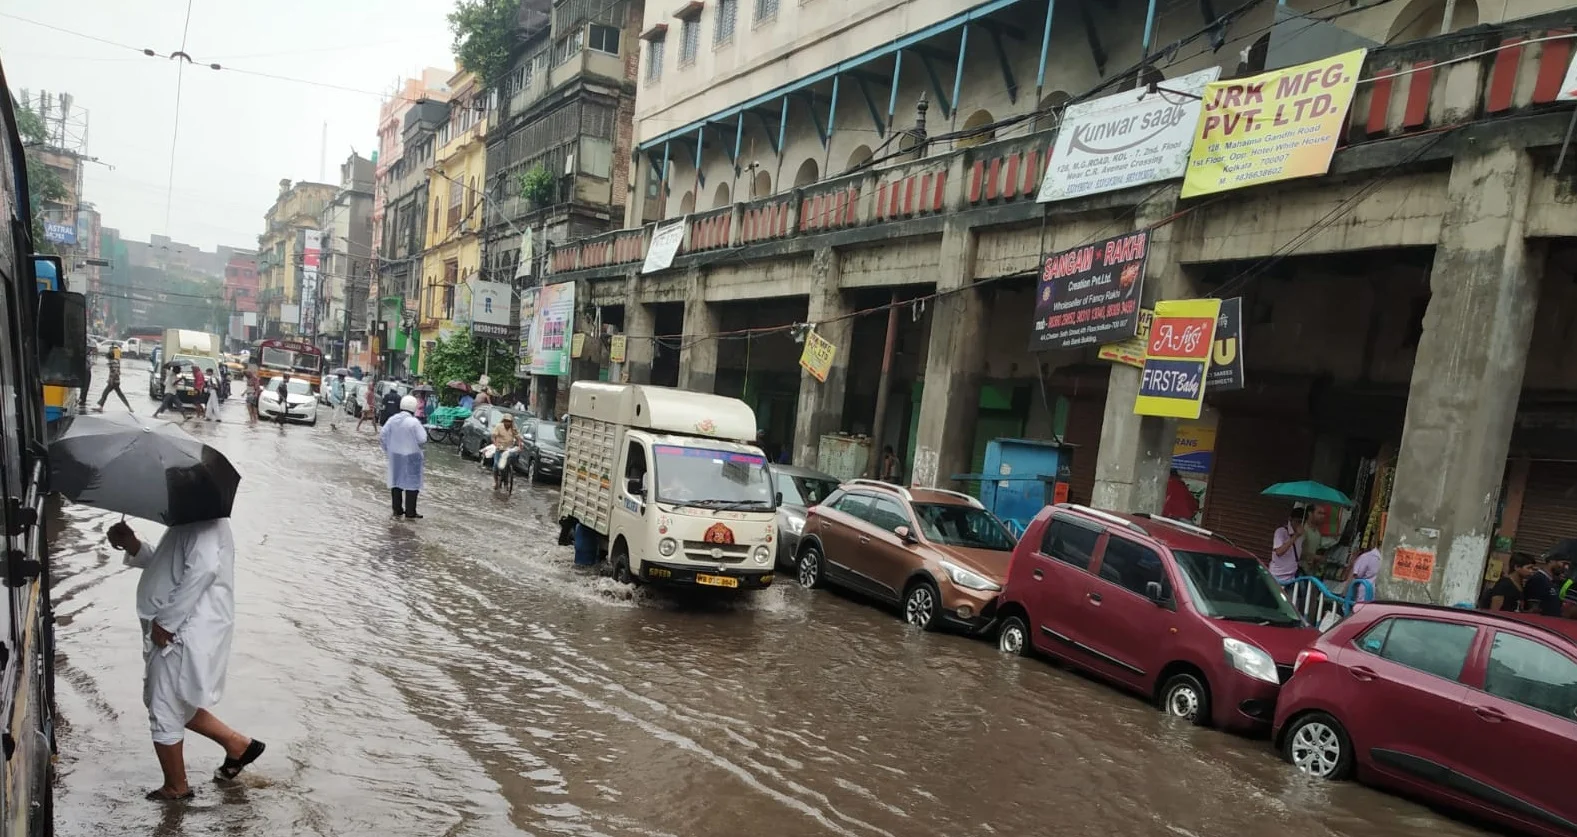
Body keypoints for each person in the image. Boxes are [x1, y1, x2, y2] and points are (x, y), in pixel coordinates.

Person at [104, 496, 266, 800]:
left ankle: (176, 787)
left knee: (162, 707)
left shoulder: (202, 521)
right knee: (173, 699)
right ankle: (238, 745)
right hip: (176, 630)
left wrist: (167, 621)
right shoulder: (190, 520)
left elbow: (202, 571)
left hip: (181, 632)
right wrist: (133, 545)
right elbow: (170, 566)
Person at [380, 395, 427, 520]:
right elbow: (422, 439)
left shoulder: (392, 420)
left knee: (396, 482)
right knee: (412, 484)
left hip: (395, 456)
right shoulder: (414, 422)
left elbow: (383, 435)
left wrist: (388, 449)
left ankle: (397, 510)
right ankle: (410, 512)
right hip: (411, 456)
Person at [1522, 550, 1569, 616]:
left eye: (1567, 564)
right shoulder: (1538, 579)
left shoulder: (1553, 582)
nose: (1566, 567)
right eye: (1563, 563)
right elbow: (1533, 610)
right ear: (1551, 561)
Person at [1270, 508, 1308, 585]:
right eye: (1298, 522)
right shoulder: (1281, 532)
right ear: (1290, 519)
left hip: (1292, 577)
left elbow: (1297, 554)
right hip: (1277, 576)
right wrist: (1296, 535)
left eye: (1302, 522)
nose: (1300, 525)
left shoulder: (1302, 536)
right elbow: (1279, 552)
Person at [490, 412, 524, 490]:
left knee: (507, 465)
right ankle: (495, 481)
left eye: (509, 421)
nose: (507, 423)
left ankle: (506, 482)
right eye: (506, 421)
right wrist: (495, 444)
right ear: (503, 421)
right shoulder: (499, 427)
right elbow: (493, 436)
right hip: (500, 449)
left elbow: (518, 438)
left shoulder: (513, 428)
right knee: (496, 465)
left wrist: (519, 445)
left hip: (508, 449)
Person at [95, 343, 133, 413]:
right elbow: (118, 371)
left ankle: (100, 407)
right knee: (118, 394)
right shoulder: (116, 361)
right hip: (116, 381)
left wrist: (111, 380)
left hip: (113, 382)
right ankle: (129, 407)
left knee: (105, 393)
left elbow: (115, 372)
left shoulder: (112, 362)